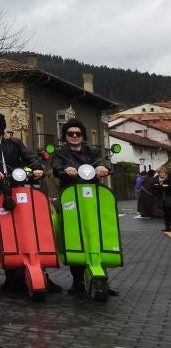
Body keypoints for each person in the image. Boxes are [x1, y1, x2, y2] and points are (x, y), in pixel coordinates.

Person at [0, 111, 50, 293]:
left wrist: (37, 169)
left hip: (20, 192)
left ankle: (38, 271)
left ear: (0, 126)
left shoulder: (15, 143)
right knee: (6, 234)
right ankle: (11, 277)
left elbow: (30, 158)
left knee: (28, 229)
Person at [50, 119, 113, 295]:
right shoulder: (60, 153)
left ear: (83, 135)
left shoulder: (92, 151)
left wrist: (103, 167)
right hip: (71, 195)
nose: (75, 136)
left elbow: (103, 161)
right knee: (74, 236)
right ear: (65, 136)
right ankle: (77, 279)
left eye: (78, 133)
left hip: (91, 196)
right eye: (71, 133)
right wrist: (64, 170)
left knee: (98, 233)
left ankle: (103, 276)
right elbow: (55, 167)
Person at [153, 167, 170, 232]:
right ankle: (167, 227)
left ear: (165, 173)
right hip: (161, 199)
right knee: (165, 214)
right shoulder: (155, 179)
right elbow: (154, 188)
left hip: (169, 198)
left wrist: (164, 187)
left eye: (163, 172)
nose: (162, 174)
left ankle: (168, 226)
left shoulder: (169, 178)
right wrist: (160, 186)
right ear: (158, 173)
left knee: (169, 213)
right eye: (160, 172)